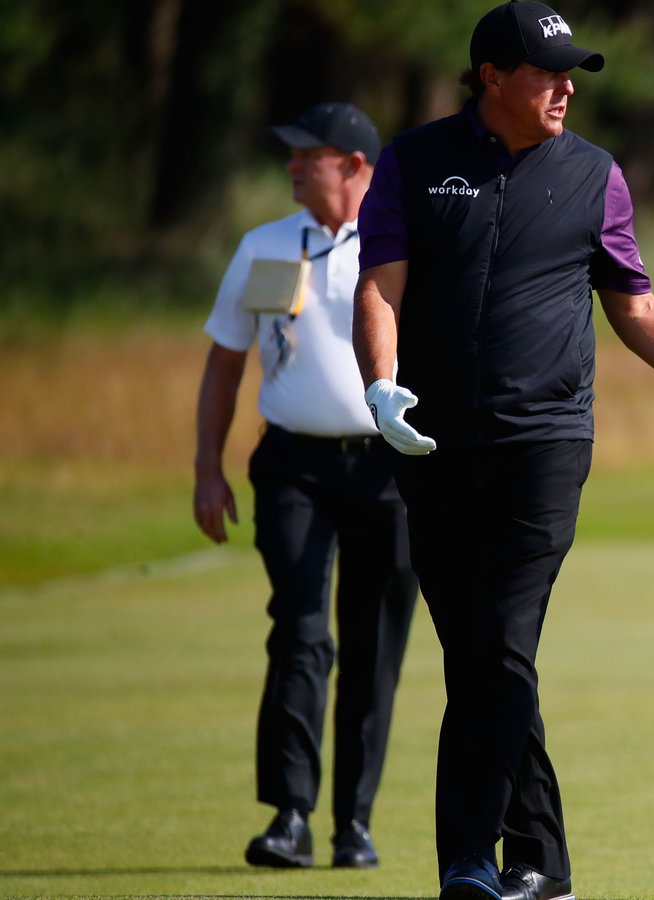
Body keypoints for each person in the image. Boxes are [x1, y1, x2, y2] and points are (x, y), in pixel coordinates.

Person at [350, 4, 654, 900]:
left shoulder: (596, 174)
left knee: (499, 637)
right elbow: (379, 285)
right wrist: (380, 384)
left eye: (574, 74)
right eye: (549, 72)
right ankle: (544, 863)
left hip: (545, 443)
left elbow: (635, 307)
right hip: (431, 440)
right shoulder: (414, 160)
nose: (567, 88)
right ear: (492, 75)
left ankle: (468, 861)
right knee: (480, 654)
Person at [193, 101, 418, 870]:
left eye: (307, 155)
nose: (291, 166)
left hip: (390, 470)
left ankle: (354, 824)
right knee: (299, 632)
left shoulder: (405, 242)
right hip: (293, 467)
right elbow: (226, 360)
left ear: (354, 165)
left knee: (373, 646)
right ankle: (290, 815)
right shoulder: (265, 246)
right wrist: (207, 466)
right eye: (289, 155)